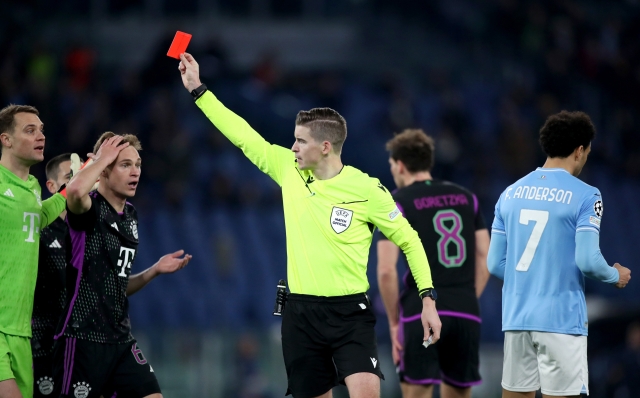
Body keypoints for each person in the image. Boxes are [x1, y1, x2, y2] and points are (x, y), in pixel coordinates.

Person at [178, 52, 441, 398]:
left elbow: (410, 240)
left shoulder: (368, 189)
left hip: (351, 314)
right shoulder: (288, 168)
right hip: (300, 314)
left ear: (326, 146)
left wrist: (428, 299)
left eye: (301, 141)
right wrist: (199, 90)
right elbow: (243, 135)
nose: (293, 147)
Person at [487, 110, 632, 398]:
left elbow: (494, 263)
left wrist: (531, 276)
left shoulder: (510, 193)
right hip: (561, 320)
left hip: (517, 319)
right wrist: (616, 275)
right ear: (579, 151)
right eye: (587, 152)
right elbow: (588, 261)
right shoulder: (587, 195)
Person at [52, 132, 192, 398]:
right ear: (103, 171)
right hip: (82, 339)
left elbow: (117, 285)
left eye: (138, 164)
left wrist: (153, 271)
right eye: (125, 165)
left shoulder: (130, 216)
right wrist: (99, 159)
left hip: (120, 340)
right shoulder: (88, 209)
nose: (135, 172)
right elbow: (75, 191)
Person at [377, 129, 490, 398]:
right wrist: (466, 297)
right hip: (465, 311)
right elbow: (486, 255)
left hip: (419, 313)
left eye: (392, 166)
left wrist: (394, 323)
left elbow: (385, 270)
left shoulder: (396, 203)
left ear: (400, 165)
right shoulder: (467, 197)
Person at [0, 105, 66, 398]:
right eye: (30, 130)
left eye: (41, 130)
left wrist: (90, 172)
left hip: (21, 333)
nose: (40, 136)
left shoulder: (32, 187)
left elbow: (42, 214)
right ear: (6, 139)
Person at [32, 153, 78, 397]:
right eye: (71, 177)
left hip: (80, 345)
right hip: (43, 345)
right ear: (51, 186)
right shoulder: (38, 230)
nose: (79, 182)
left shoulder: (92, 230)